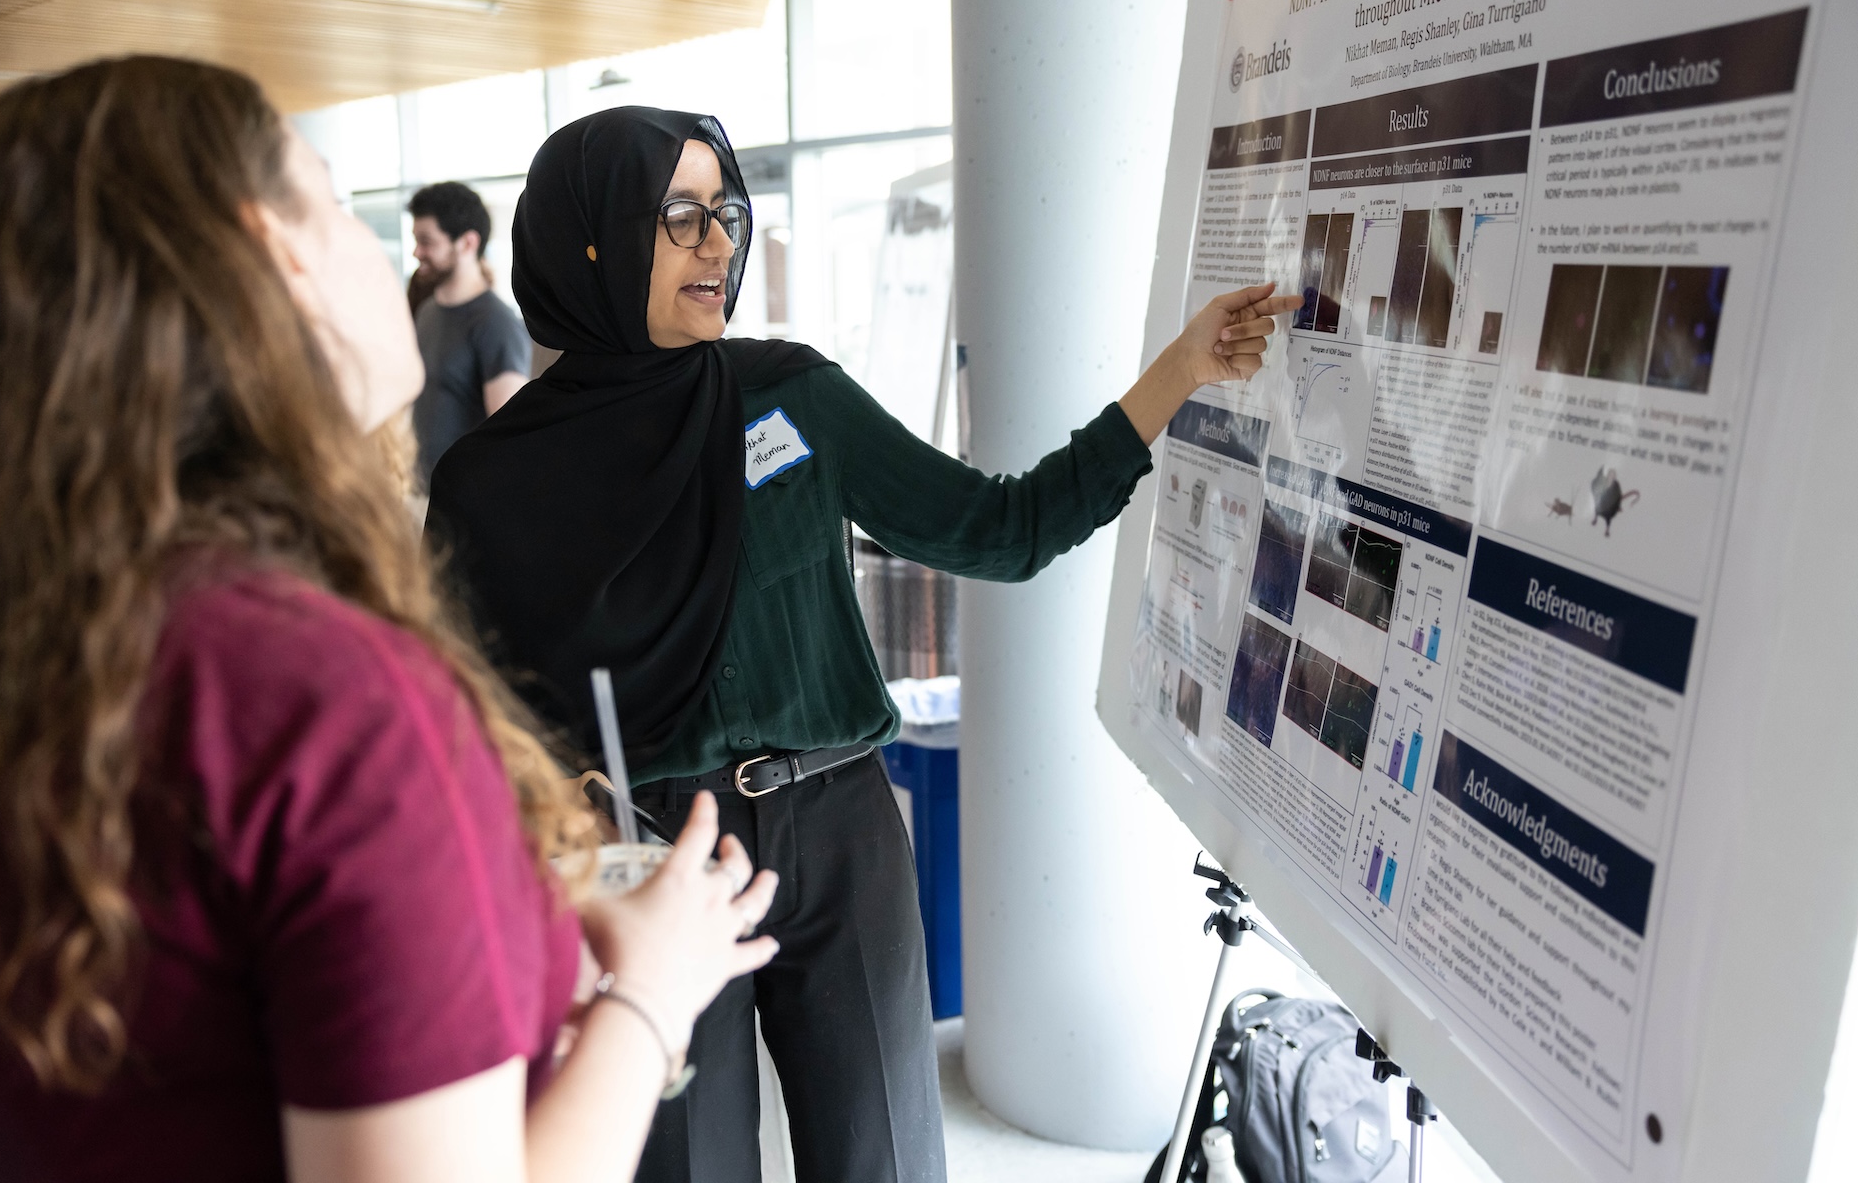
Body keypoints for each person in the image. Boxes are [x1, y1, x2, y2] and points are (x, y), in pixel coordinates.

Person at [425, 106, 1298, 1183]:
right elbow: (462, 740)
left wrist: (1176, 372)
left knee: (882, 1154)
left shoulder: (788, 397)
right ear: (592, 239)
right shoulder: (488, 484)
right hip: (645, 860)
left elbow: (1004, 527)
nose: (720, 242)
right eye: (681, 215)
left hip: (840, 829)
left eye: (728, 212)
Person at [0, 58, 779, 1183]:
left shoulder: (50, 636)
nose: (385, 250)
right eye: (338, 200)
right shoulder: (329, 696)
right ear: (278, 250)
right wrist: (652, 988)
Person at [407, 181, 532, 485]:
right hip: (423, 492)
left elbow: (509, 438)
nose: (416, 252)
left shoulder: (496, 323)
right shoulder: (428, 310)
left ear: (467, 243)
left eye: (427, 241)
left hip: (462, 500)